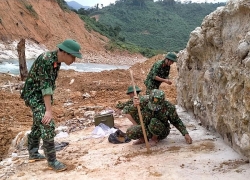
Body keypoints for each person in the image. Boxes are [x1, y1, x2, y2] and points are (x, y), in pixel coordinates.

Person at [20, 39, 82, 172]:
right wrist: (48, 110)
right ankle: (52, 161)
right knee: (47, 123)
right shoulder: (47, 60)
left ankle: (33, 153)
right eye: (73, 56)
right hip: (33, 95)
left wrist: (48, 104)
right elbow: (46, 87)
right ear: (64, 52)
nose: (74, 60)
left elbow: (48, 84)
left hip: (40, 95)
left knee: (39, 122)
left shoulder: (56, 62)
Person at [124, 89, 192, 146]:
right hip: (146, 128)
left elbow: (176, 121)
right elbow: (127, 111)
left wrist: (185, 134)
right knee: (130, 132)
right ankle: (143, 138)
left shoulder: (169, 107)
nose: (154, 109)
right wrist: (134, 106)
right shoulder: (143, 101)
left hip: (161, 131)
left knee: (154, 121)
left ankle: (154, 139)